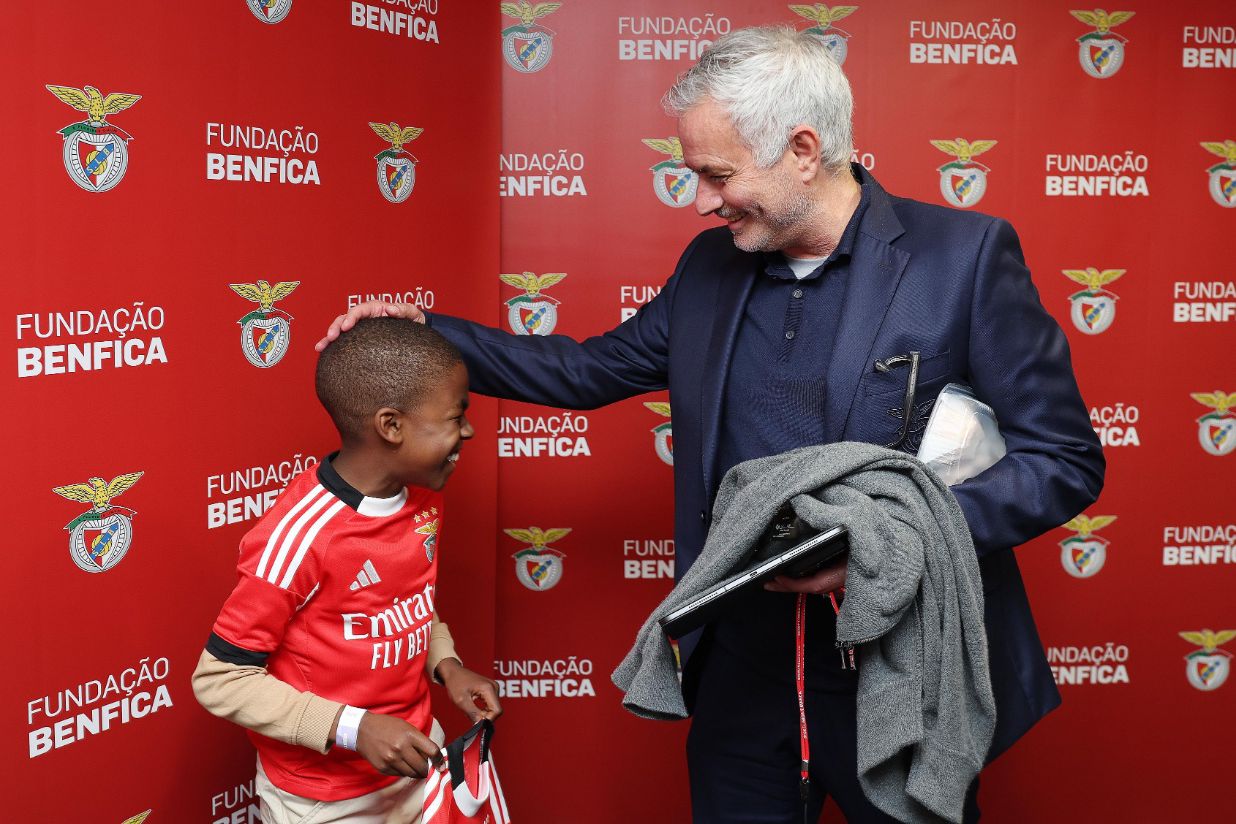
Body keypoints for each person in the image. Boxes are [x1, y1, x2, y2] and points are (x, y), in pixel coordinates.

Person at [318, 26, 1103, 824]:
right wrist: (424, 332)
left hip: (901, 671)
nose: (699, 200)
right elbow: (586, 371)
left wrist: (894, 540)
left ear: (803, 149)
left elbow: (1064, 461)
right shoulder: (708, 265)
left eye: (717, 174)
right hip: (741, 673)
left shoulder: (962, 257)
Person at [194, 318, 502, 824]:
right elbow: (219, 679)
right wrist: (353, 728)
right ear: (391, 426)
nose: (467, 430)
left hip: (418, 760)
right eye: (455, 416)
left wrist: (446, 664)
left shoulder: (422, 496)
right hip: (326, 798)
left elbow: (403, 602)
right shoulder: (300, 536)